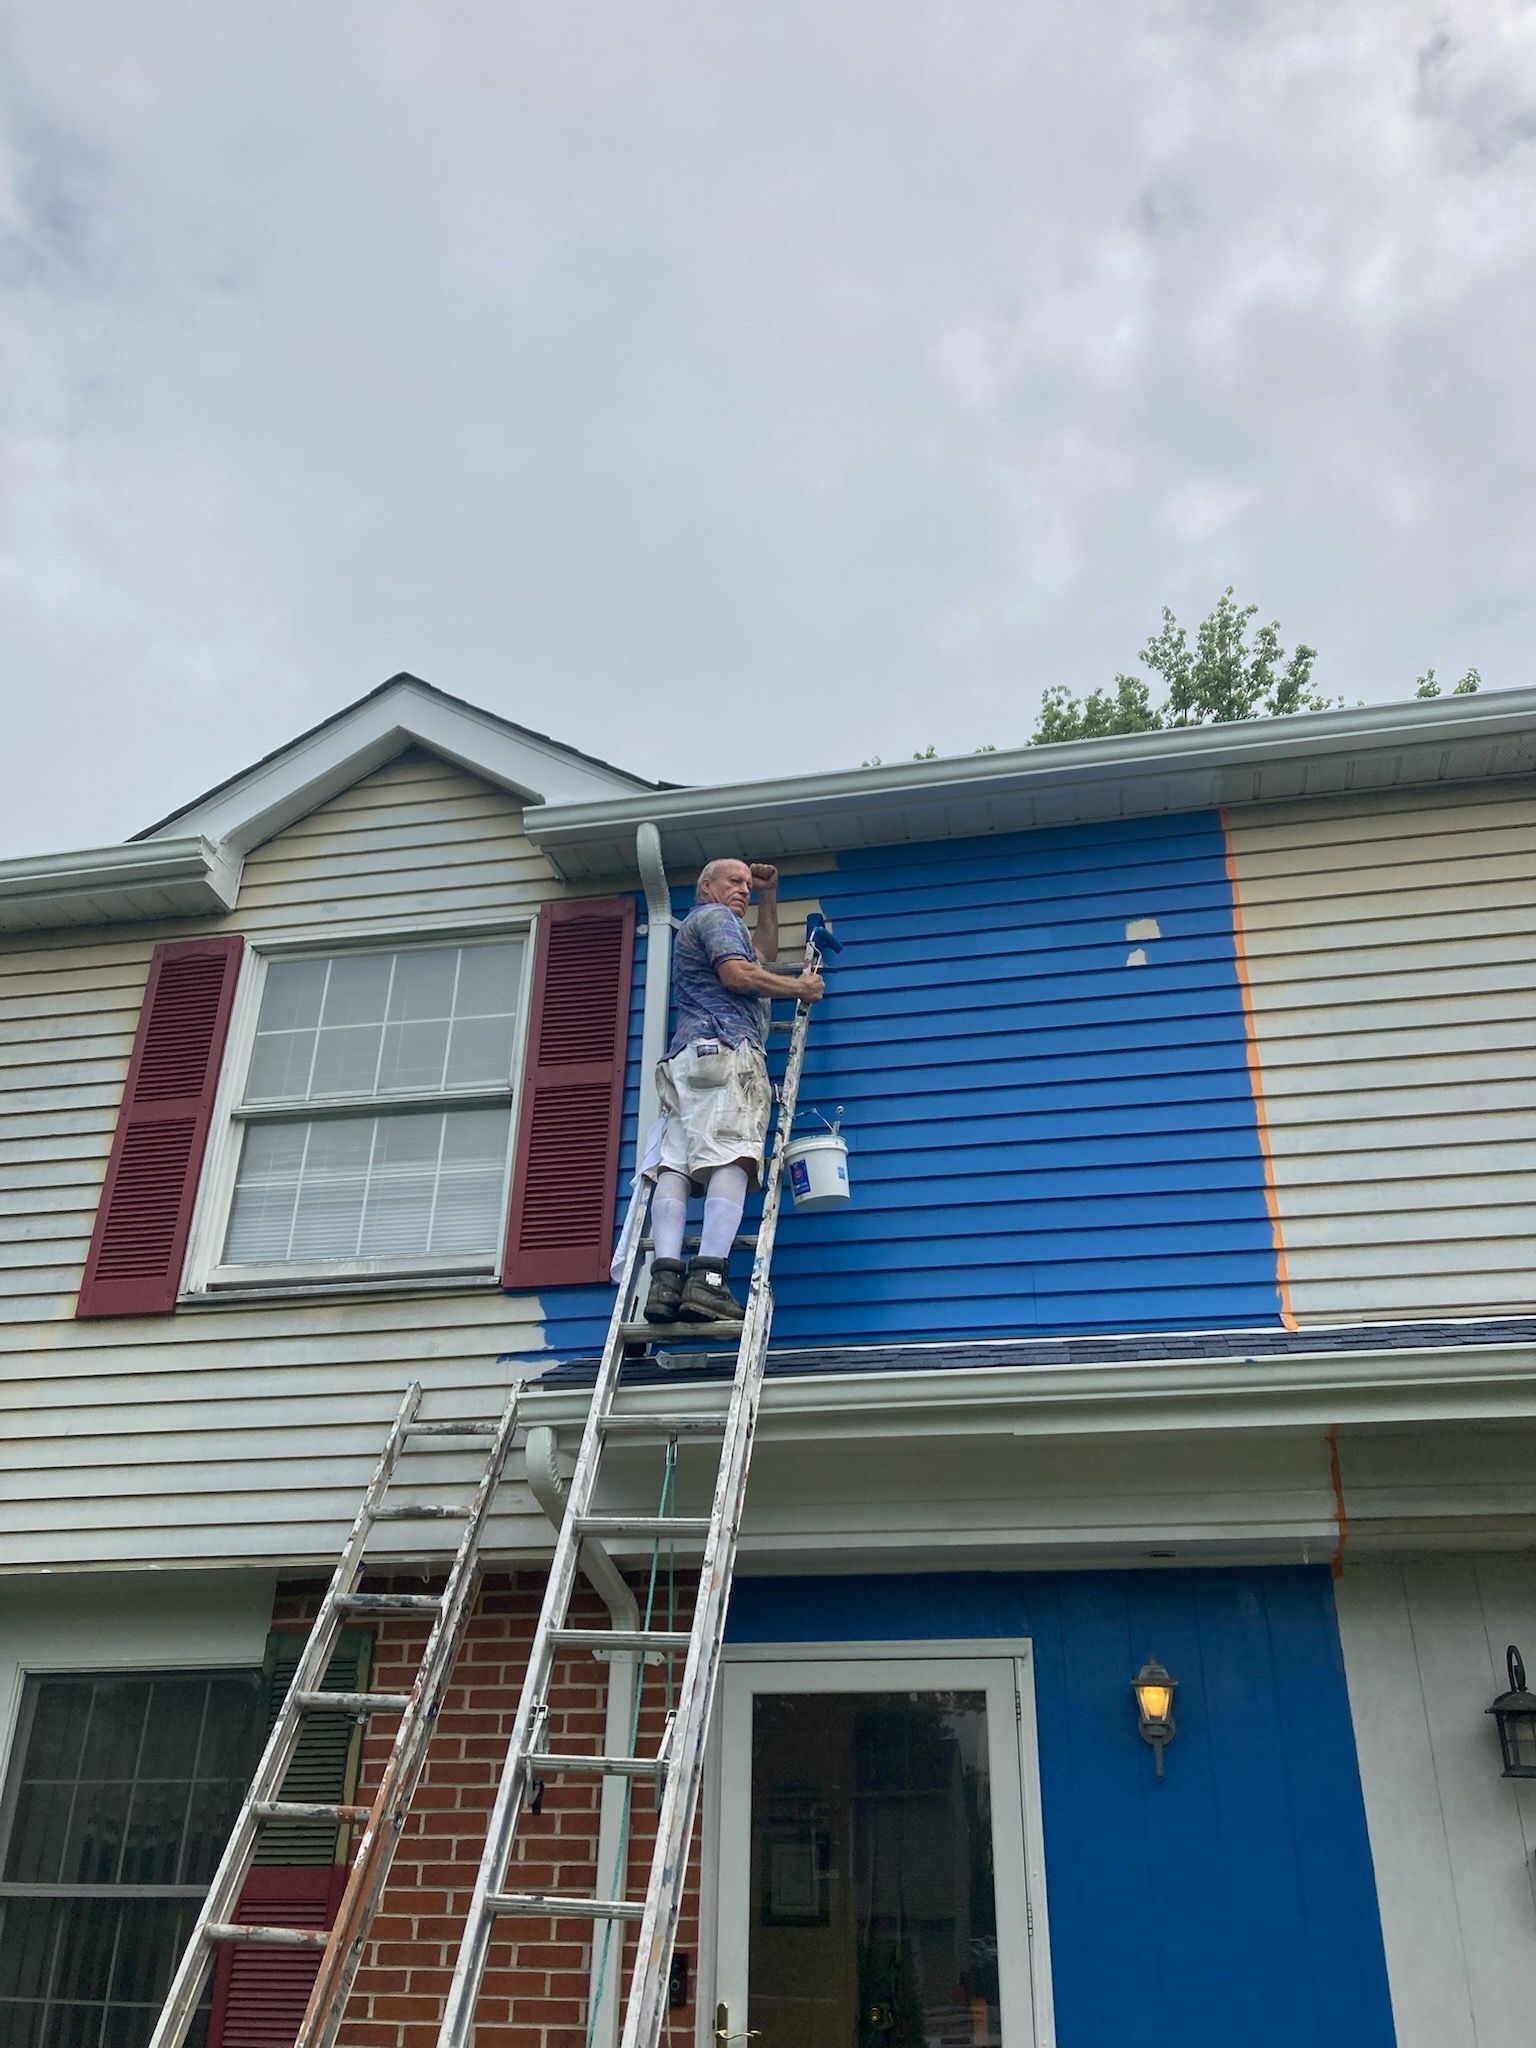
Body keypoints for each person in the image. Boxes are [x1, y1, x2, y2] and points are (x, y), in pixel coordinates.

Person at [645, 858, 825, 1324]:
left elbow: (758, 955)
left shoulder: (710, 925)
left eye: (748, 884)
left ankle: (665, 1280)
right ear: (707, 887)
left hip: (687, 1059)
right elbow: (738, 975)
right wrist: (799, 987)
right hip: (725, 1051)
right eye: (734, 881)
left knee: (675, 1164)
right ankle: (708, 1279)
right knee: (735, 1157)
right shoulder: (715, 917)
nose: (743, 888)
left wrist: (769, 896)